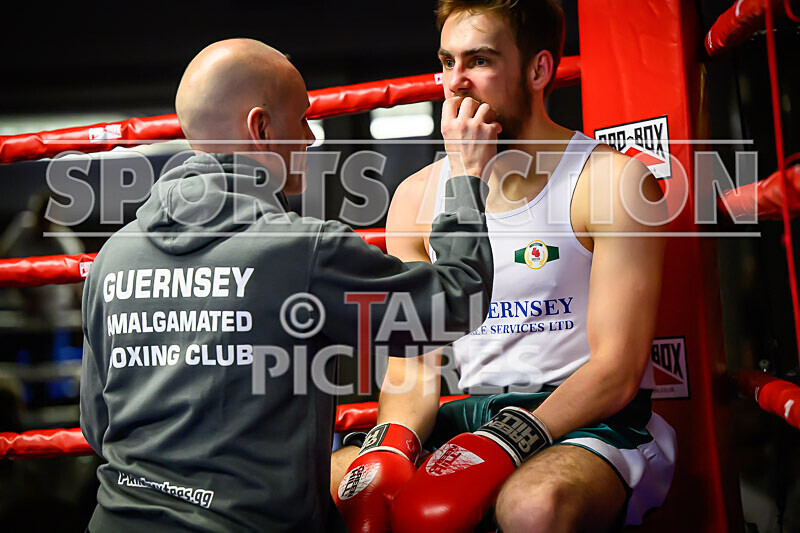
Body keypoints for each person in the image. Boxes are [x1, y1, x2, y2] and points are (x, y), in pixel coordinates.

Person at [79, 38, 499, 532]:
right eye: (301, 119)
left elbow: (96, 423)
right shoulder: (299, 249)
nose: (311, 138)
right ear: (261, 127)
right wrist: (467, 176)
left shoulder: (113, 256)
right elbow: (457, 298)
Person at [330, 1, 677, 532]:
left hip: (591, 423)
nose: (456, 82)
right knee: (335, 482)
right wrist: (391, 449)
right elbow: (414, 369)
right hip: (474, 416)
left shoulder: (609, 182)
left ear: (538, 70)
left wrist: (513, 439)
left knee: (531, 505)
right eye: (448, 62)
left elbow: (617, 370)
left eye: (480, 60)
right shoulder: (416, 197)